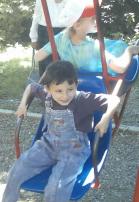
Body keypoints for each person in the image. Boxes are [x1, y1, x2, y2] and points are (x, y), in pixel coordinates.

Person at [2, 60, 120, 202]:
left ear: (76, 84)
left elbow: (114, 100)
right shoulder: (45, 95)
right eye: (59, 91)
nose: (65, 95)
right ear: (48, 89)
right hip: (48, 144)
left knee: (57, 187)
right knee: (16, 171)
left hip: (74, 150)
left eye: (70, 89)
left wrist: (106, 118)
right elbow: (31, 87)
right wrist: (22, 105)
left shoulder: (82, 99)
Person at [35, 3, 139, 76]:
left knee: (113, 44)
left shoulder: (60, 38)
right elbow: (120, 68)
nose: (96, 21)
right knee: (122, 47)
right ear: (77, 25)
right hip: (97, 77)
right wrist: (130, 50)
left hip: (74, 76)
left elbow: (38, 57)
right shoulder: (94, 47)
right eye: (93, 19)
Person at [29, 0, 88, 76]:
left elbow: (77, 16)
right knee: (46, 63)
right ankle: (46, 85)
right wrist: (33, 37)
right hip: (45, 30)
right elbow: (37, 15)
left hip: (65, 30)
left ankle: (66, 85)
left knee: (66, 63)